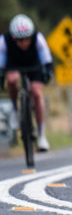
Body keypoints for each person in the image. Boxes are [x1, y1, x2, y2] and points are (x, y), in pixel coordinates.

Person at [0, 14, 54, 152]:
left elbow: (47, 60)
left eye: (27, 39)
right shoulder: (4, 41)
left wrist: (48, 72)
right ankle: (14, 108)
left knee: (36, 92)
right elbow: (1, 64)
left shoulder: (38, 38)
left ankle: (41, 135)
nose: (24, 42)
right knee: (11, 80)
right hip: (14, 64)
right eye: (20, 40)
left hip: (34, 64)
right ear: (13, 38)